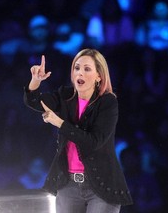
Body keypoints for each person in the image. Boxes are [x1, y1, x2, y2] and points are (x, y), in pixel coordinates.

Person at [24, 48, 133, 213]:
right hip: (68, 185)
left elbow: (93, 142)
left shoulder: (107, 103)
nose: (79, 73)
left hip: (101, 185)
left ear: (99, 76)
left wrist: (60, 123)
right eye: (77, 68)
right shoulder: (65, 96)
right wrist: (36, 81)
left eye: (86, 69)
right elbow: (34, 102)